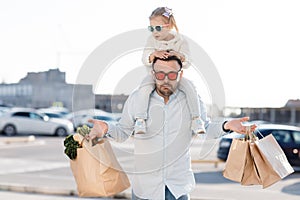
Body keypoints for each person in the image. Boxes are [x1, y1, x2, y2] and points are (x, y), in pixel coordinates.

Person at [88, 56, 257, 199]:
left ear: (181, 74)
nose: (166, 80)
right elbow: (123, 132)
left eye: (172, 74)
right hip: (145, 189)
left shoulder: (192, 100)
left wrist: (227, 126)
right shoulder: (137, 99)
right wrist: (104, 127)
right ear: (153, 74)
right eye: (160, 74)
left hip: (177, 188)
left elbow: (205, 129)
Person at [134, 7, 206, 135]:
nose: (154, 32)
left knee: (190, 87)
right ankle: (140, 119)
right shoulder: (151, 40)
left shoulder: (181, 41)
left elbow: (188, 62)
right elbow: (144, 58)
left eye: (158, 28)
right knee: (144, 87)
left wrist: (180, 56)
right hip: (155, 77)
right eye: (151, 28)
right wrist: (154, 54)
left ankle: (196, 119)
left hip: (174, 78)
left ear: (169, 26)